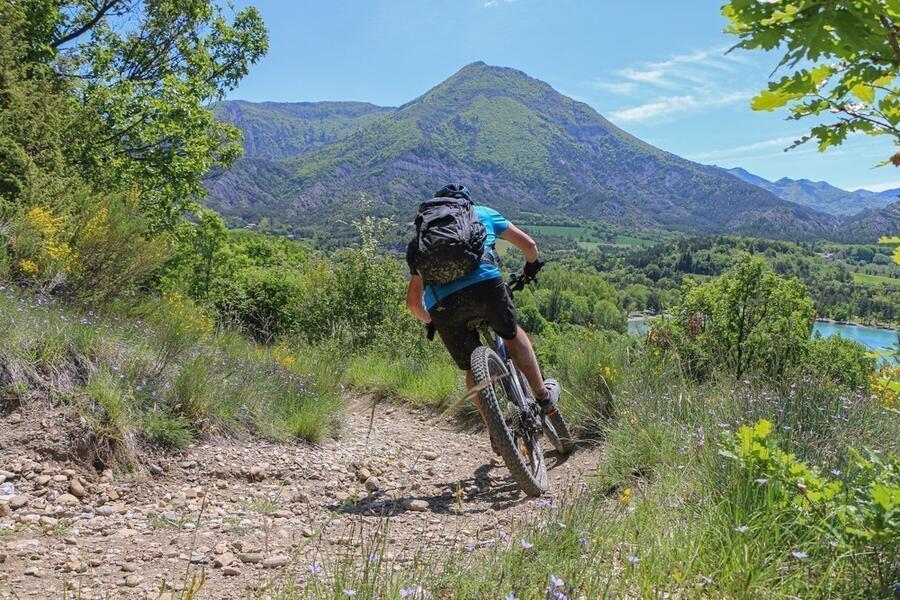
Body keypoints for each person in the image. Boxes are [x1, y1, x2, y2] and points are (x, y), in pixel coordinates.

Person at [405, 184, 560, 431]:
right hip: (485, 286)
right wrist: (530, 268)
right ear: (464, 203)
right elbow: (529, 246)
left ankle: (495, 430)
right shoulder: (482, 212)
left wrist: (434, 321)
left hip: (442, 305)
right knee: (511, 333)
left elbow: (413, 303)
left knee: (470, 366)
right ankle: (542, 396)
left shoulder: (422, 240)